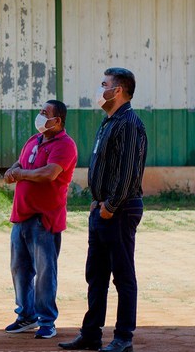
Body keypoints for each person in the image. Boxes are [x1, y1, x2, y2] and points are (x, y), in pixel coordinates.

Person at [59, 68, 147, 352]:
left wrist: (110, 205)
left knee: (122, 276)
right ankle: (91, 333)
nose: (100, 90)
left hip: (119, 210)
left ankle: (123, 338)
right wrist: (98, 203)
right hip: (102, 210)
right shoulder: (109, 122)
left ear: (118, 90)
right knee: (96, 275)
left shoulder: (129, 123)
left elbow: (128, 173)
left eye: (104, 85)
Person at [3, 99, 78, 340]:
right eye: (40, 111)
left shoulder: (65, 145)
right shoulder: (34, 141)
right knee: (20, 268)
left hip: (44, 219)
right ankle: (26, 315)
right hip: (22, 216)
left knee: (46, 271)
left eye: (45, 113)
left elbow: (49, 173)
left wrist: (21, 174)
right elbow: (21, 162)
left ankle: (47, 320)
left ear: (57, 120)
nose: (40, 116)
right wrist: (12, 170)